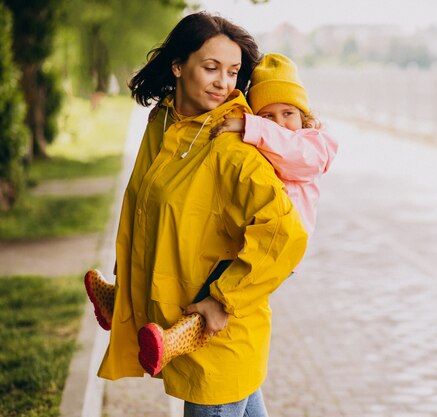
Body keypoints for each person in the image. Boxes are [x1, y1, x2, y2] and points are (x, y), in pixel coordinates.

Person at [92, 12, 308, 417]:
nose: (224, 83)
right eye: (211, 68)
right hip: (184, 323)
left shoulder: (231, 148)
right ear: (178, 66)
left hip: (217, 335)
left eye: (232, 72)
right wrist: (129, 283)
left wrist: (222, 302)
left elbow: (285, 233)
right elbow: (142, 204)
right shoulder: (165, 122)